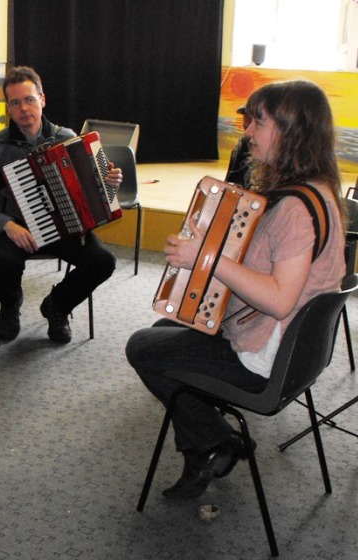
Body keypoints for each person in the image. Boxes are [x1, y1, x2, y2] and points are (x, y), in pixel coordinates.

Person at [126, 80, 345, 500]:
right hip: (294, 353)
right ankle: (210, 436)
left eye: (257, 123)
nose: (247, 132)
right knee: (164, 325)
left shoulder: (296, 209)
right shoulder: (319, 191)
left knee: (141, 347)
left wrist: (205, 259)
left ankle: (214, 441)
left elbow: (280, 299)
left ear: (289, 131)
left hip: (265, 359)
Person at [0, 66, 121, 343]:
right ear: (8, 108)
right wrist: (6, 224)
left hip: (64, 226)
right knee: (1, 261)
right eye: (15, 102)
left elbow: (93, 192)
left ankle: (57, 306)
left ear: (42, 99)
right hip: (17, 227)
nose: (23, 108)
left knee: (103, 261)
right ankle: (10, 306)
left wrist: (110, 184)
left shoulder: (66, 138)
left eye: (29, 99)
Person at [225, 104, 253, 187]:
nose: (247, 133)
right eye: (245, 128)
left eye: (258, 126)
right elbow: (232, 187)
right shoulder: (243, 147)